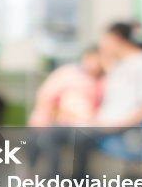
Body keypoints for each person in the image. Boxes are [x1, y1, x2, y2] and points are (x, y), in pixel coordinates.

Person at [69, 23, 142, 179]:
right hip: (105, 123)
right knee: (55, 132)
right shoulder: (120, 65)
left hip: (125, 126)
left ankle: (77, 186)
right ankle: (55, 182)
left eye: (105, 40)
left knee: (79, 136)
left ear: (115, 39)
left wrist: (119, 124)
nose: (102, 45)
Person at [26, 47, 105, 175]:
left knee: (81, 140)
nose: (96, 65)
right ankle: (45, 175)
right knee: (43, 135)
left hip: (87, 125)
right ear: (86, 58)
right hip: (60, 120)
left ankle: (79, 179)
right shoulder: (68, 74)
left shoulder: (102, 80)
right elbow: (45, 96)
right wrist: (51, 115)